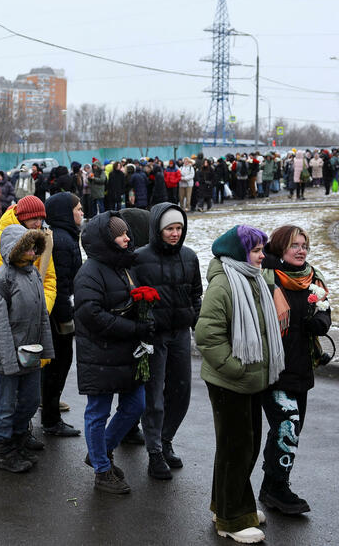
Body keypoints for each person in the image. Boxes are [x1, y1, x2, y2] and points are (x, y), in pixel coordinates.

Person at [195, 225, 284, 543]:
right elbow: (207, 335)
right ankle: (231, 519)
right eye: (256, 250)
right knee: (237, 449)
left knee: (244, 446)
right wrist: (235, 368)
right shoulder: (224, 284)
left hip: (248, 380)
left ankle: (229, 506)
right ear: (239, 253)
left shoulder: (252, 278)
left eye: (262, 249)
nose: (262, 256)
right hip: (229, 381)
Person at [257, 225, 332, 514]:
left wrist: (322, 322)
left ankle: (272, 485)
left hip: (302, 365)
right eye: (294, 245)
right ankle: (278, 489)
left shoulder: (313, 277)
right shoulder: (266, 276)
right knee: (287, 425)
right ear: (280, 247)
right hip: (274, 367)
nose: (301, 251)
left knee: (290, 429)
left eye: (304, 246)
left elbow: (324, 308)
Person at [74, 212, 150, 495]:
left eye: (127, 233)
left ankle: (101, 451)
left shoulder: (123, 265)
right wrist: (133, 327)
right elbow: (91, 314)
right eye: (120, 235)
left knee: (136, 405)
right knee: (98, 412)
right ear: (106, 239)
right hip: (100, 353)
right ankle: (102, 471)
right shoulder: (89, 272)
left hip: (126, 350)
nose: (127, 238)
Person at [131, 202, 202, 480]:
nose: (175, 234)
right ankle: (154, 452)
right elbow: (132, 295)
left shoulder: (190, 257)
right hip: (154, 336)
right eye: (169, 228)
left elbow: (196, 293)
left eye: (179, 228)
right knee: (154, 396)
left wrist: (195, 319)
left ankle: (166, 438)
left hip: (180, 333)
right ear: (157, 229)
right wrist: (143, 323)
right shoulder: (140, 258)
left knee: (181, 391)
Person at [0, 224, 55, 472]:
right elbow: (0, 325)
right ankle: (5, 448)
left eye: (35, 247)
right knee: (5, 406)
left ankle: (17, 438)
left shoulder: (33, 274)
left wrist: (46, 349)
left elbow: (42, 316)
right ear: (14, 249)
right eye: (28, 247)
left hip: (30, 353)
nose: (33, 252)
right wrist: (8, 362)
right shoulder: (2, 279)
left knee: (31, 400)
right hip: (6, 356)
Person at [41, 193, 84, 438]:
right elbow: (61, 285)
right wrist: (66, 318)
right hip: (59, 316)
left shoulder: (62, 236)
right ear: (65, 213)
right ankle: (51, 419)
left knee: (53, 365)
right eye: (78, 209)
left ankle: (49, 407)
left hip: (55, 312)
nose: (81, 213)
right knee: (58, 364)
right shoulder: (64, 241)